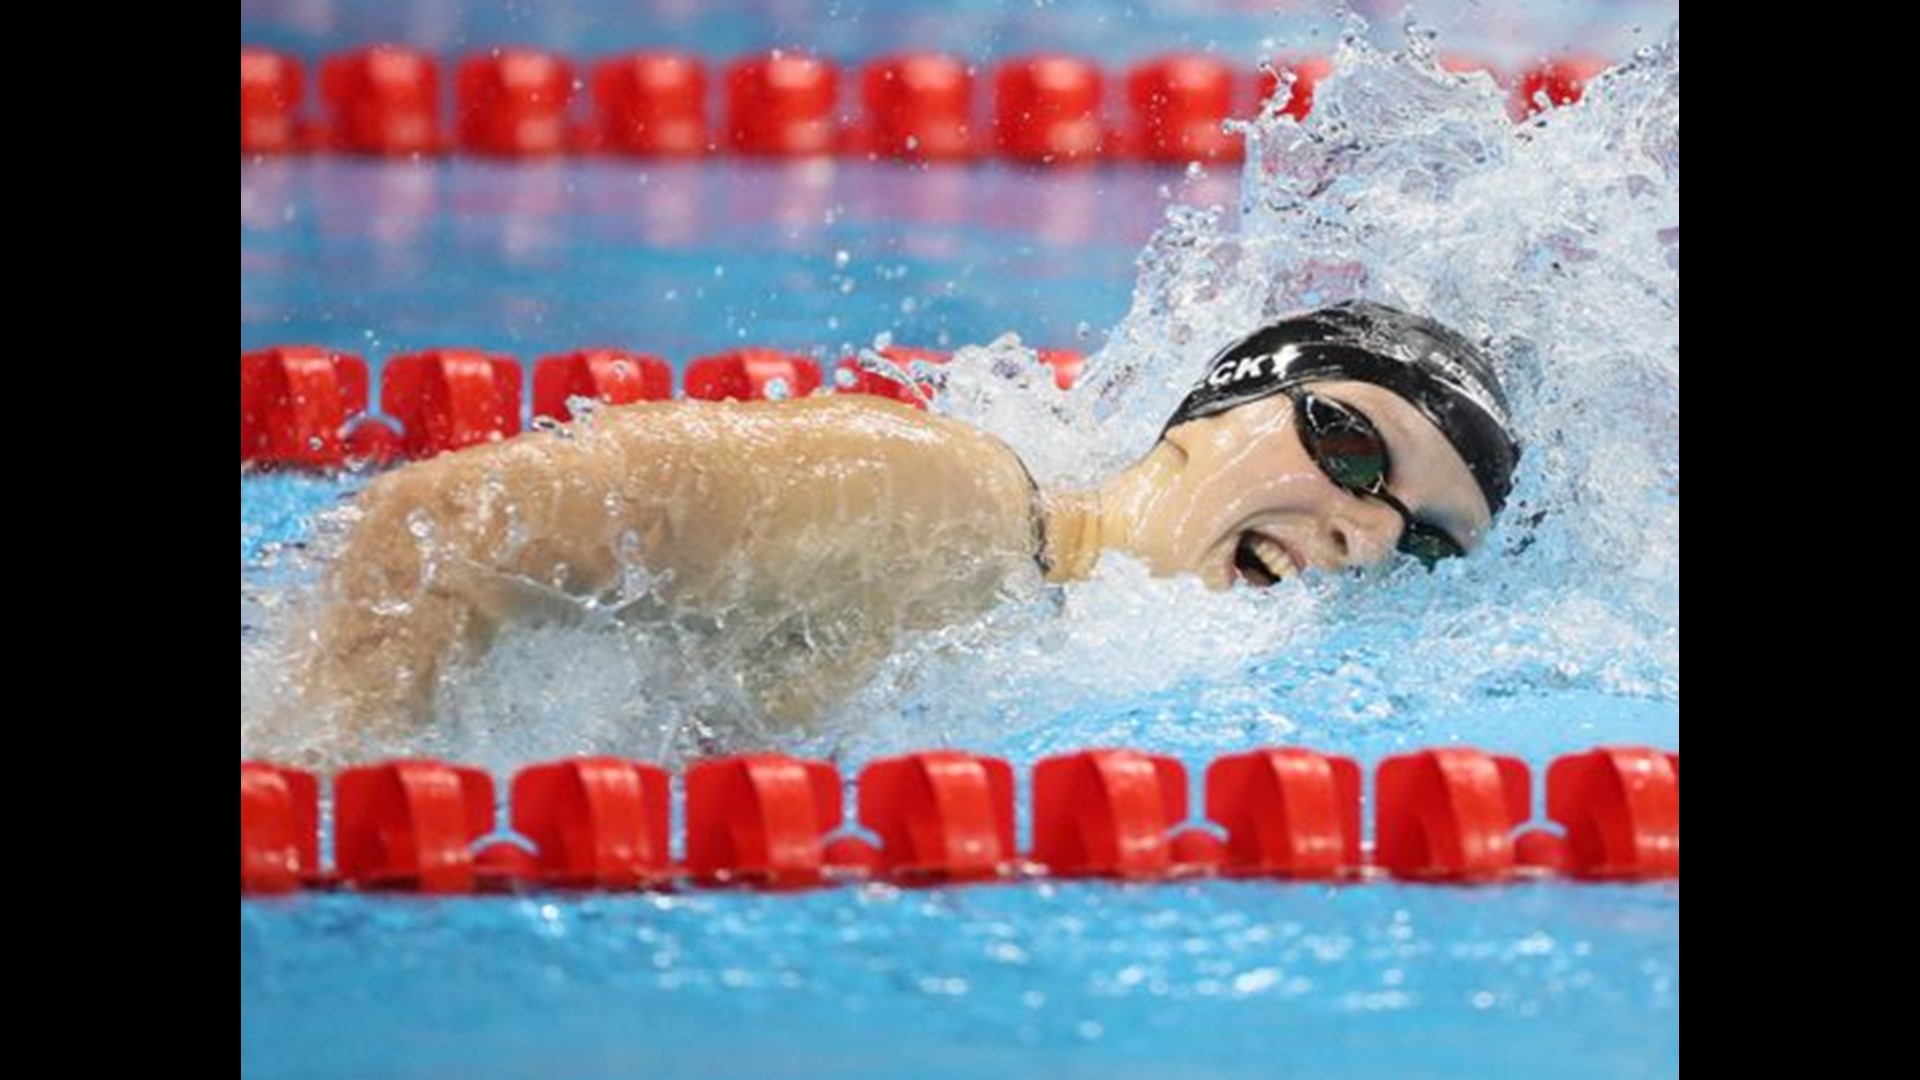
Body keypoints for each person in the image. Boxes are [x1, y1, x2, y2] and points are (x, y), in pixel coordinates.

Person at [295, 299, 1520, 738]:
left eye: (1417, 545)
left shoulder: (1047, 651)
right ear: (1224, 400)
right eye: (1355, 447)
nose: (1366, 534)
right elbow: (438, 523)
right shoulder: (937, 497)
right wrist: (331, 783)